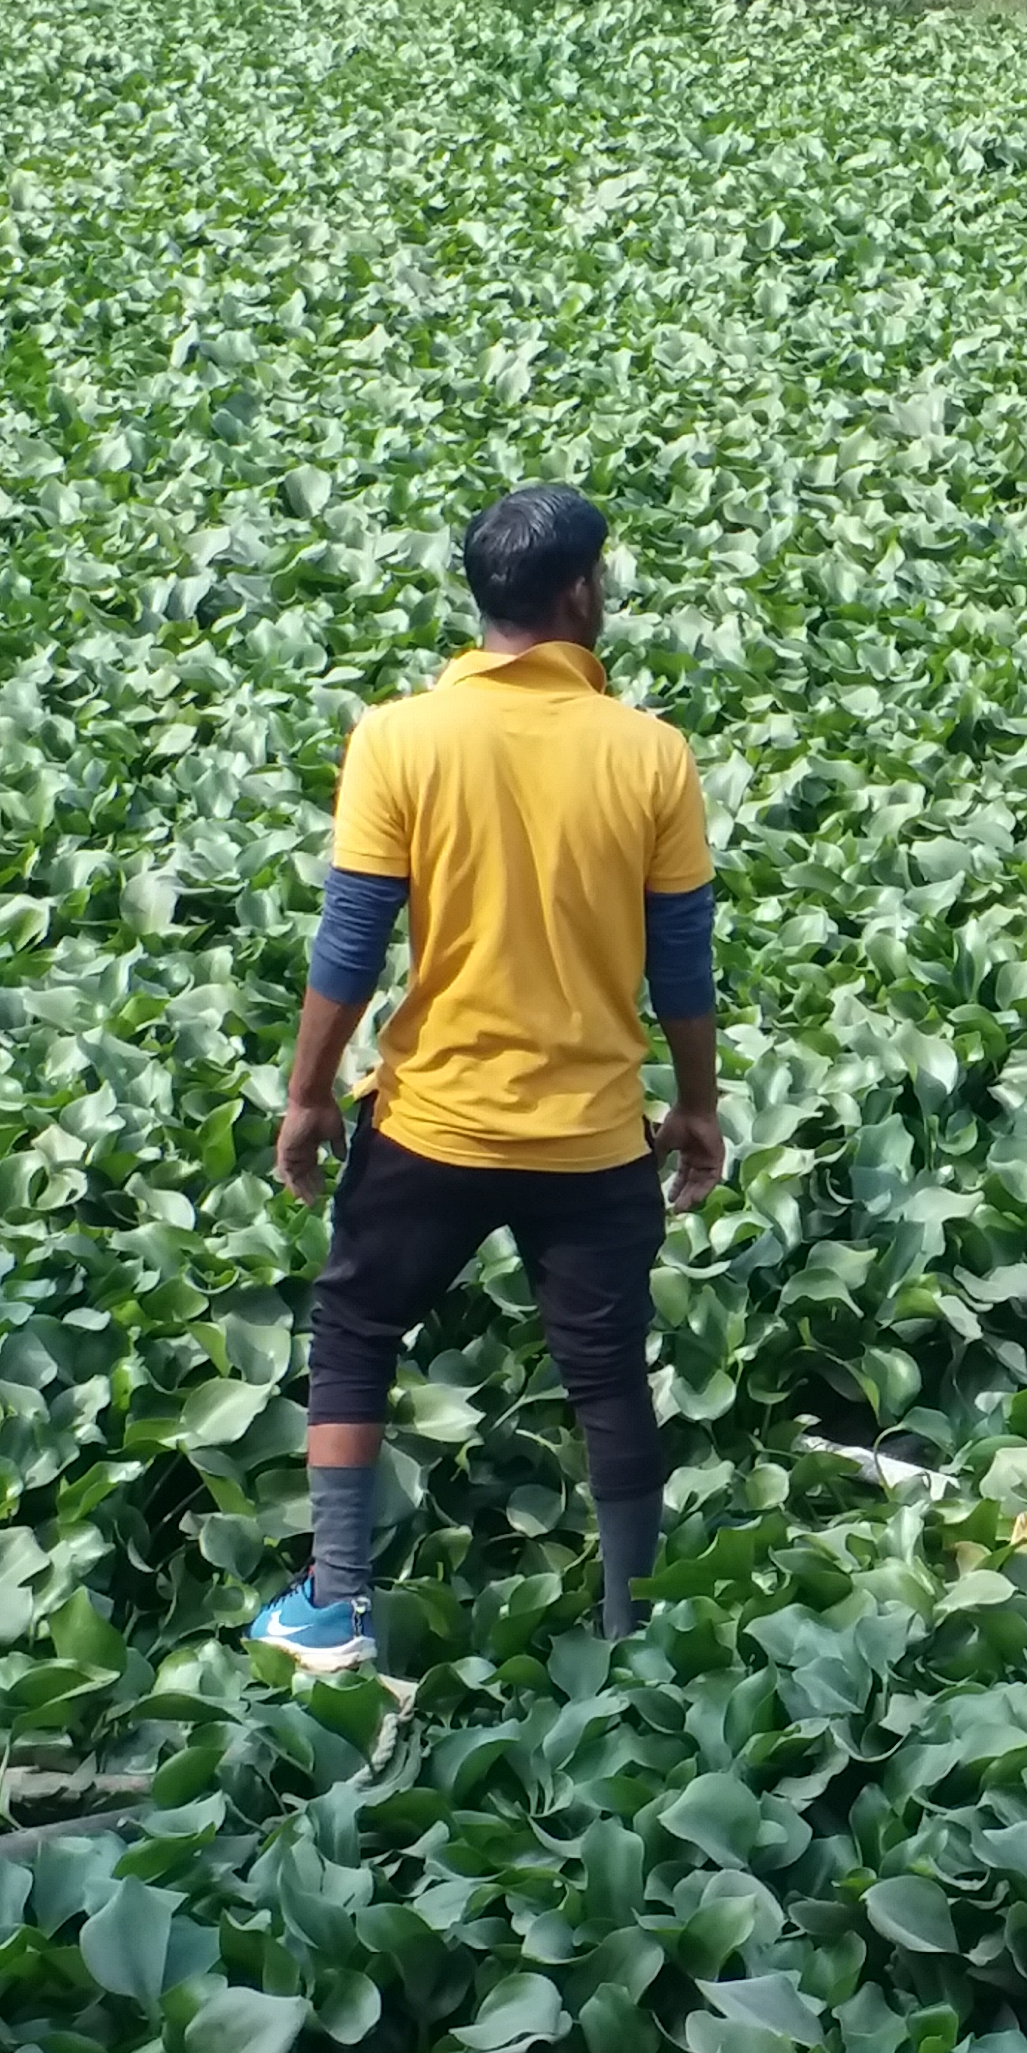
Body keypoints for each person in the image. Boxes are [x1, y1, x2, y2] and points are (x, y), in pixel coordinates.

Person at [251, 483, 725, 1675]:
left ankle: (337, 1610)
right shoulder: (651, 754)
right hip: (592, 1134)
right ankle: (631, 1632)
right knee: (607, 1371)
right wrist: (697, 1105)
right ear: (576, 594)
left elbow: (351, 942)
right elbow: (682, 964)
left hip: (434, 1120)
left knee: (357, 1326)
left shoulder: (399, 738)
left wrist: (310, 1092)